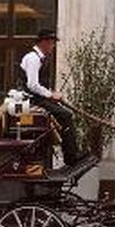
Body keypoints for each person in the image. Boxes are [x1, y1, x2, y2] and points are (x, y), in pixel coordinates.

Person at [19, 29, 81, 169]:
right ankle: (71, 157)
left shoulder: (39, 58)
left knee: (64, 114)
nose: (53, 47)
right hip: (32, 99)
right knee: (66, 115)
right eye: (52, 43)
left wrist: (50, 93)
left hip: (36, 98)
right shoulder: (33, 58)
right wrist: (51, 95)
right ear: (44, 43)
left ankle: (69, 154)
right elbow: (32, 85)